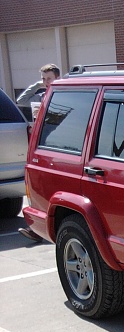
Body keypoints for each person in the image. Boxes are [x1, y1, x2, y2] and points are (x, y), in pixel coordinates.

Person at [17, 64, 60, 243]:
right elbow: (21, 101)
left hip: (59, 148)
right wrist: (37, 85)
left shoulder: (65, 95)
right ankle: (37, 228)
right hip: (43, 148)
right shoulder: (43, 96)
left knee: (52, 189)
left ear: (57, 77)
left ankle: (40, 229)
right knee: (41, 189)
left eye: (48, 78)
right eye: (43, 79)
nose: (45, 82)